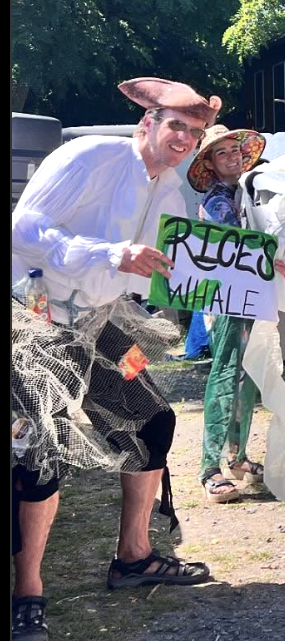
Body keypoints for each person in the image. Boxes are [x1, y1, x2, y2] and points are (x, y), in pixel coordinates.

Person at [11, 78, 218, 639]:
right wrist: (109, 253)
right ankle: (27, 591)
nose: (186, 139)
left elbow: (177, 269)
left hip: (101, 324)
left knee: (151, 418)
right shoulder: (89, 157)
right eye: (177, 126)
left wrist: (262, 276)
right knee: (40, 446)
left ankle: (133, 556)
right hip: (34, 316)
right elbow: (22, 228)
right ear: (147, 123)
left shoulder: (170, 191)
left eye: (195, 132)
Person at [185, 124, 269, 503]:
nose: (232, 156)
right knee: (225, 374)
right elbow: (239, 248)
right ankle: (210, 468)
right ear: (211, 164)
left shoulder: (245, 192)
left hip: (249, 294)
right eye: (222, 152)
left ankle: (237, 457)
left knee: (246, 375)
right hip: (224, 298)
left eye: (235, 150)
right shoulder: (219, 201)